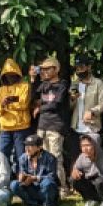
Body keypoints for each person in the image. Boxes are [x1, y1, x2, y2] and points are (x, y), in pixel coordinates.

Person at [30, 57, 71, 192]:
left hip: (56, 126)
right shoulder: (43, 85)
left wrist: (40, 109)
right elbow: (32, 96)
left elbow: (56, 103)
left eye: (48, 68)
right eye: (43, 69)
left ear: (56, 69)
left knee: (55, 157)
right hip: (42, 126)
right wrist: (33, 78)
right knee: (42, 158)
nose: (45, 71)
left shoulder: (63, 84)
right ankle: (47, 186)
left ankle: (62, 188)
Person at [0, 59, 33, 167]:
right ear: (4, 76)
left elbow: (24, 104)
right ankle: (4, 178)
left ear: (17, 74)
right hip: (5, 128)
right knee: (1, 154)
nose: (10, 77)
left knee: (21, 155)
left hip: (21, 127)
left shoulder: (25, 86)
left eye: (12, 74)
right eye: (7, 75)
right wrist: (3, 105)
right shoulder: (0, 90)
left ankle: (22, 179)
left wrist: (7, 105)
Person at [11, 133, 60, 206]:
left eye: (30, 146)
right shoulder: (23, 158)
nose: (27, 148)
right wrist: (22, 179)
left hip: (45, 190)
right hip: (32, 189)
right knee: (14, 185)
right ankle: (32, 204)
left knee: (48, 183)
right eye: (26, 145)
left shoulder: (50, 158)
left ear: (39, 147)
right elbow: (22, 173)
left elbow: (52, 177)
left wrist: (35, 178)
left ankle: (49, 205)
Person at [69, 54, 103, 153]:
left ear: (89, 67)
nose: (79, 71)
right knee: (76, 160)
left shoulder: (98, 83)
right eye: (77, 68)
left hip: (91, 128)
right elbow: (70, 106)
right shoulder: (74, 84)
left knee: (93, 158)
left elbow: (102, 104)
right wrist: (72, 99)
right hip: (76, 128)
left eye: (81, 67)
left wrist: (92, 112)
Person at [71, 134, 103, 206]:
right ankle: (91, 199)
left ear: (96, 145)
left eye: (88, 145)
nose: (85, 149)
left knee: (98, 181)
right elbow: (76, 167)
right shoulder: (82, 157)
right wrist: (74, 171)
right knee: (74, 179)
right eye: (82, 146)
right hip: (93, 185)